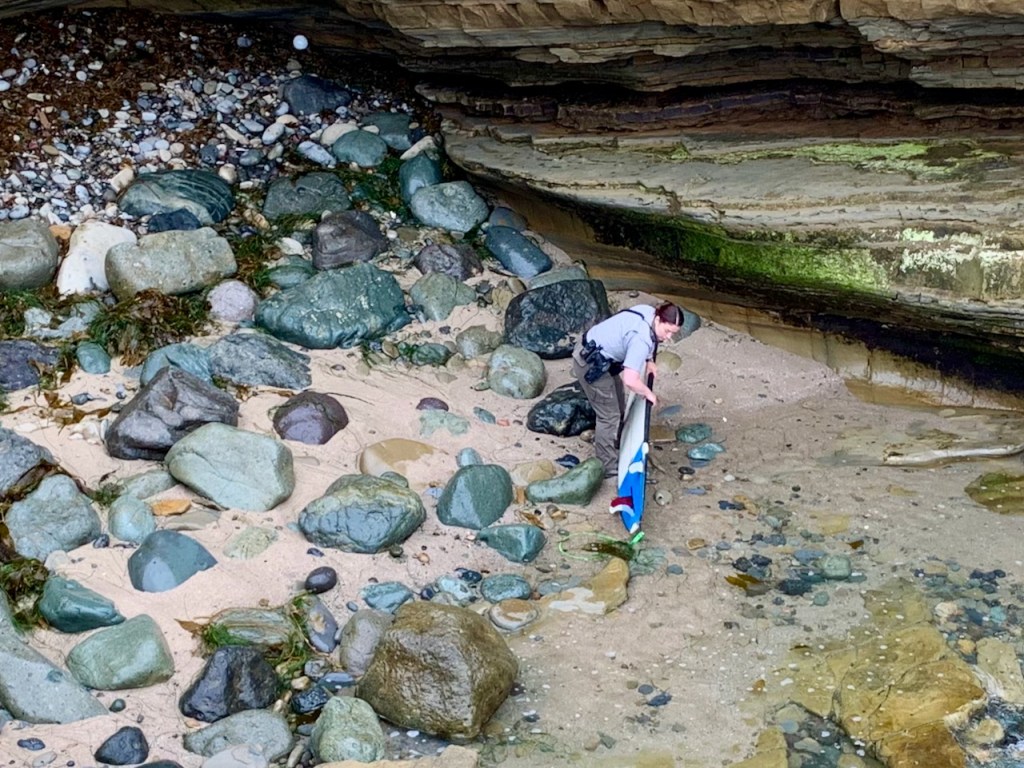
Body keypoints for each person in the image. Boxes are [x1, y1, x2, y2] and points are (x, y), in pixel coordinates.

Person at [571, 301, 699, 478]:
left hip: (600, 356)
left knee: (619, 405)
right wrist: (648, 393)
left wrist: (648, 360)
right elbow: (631, 380)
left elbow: (650, 339)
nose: (668, 337)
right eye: (667, 331)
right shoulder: (641, 339)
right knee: (609, 415)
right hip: (589, 365)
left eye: (673, 333)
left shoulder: (647, 312)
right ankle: (608, 465)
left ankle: (616, 441)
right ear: (659, 320)